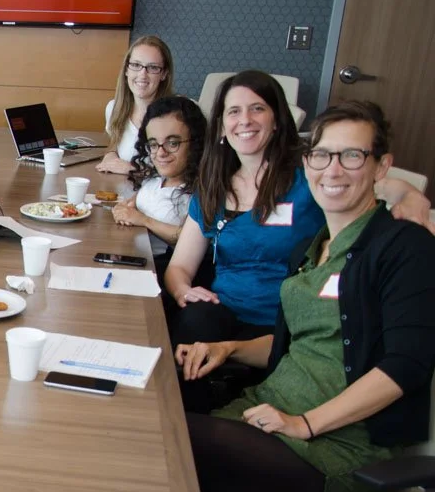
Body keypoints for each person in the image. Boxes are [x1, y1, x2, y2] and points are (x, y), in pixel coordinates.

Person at [125, 100, 435, 492]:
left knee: (153, 449)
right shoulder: (316, 246)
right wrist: (232, 345)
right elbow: (294, 346)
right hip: (264, 416)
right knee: (150, 443)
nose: (333, 170)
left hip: (337, 452)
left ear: (382, 167)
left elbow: (402, 368)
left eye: (353, 155)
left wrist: (305, 422)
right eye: (322, 155)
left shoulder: (403, 248)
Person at [165, 70, 430, 350]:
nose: (245, 120)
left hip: (291, 320)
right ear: (221, 125)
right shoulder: (214, 187)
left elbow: (377, 182)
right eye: (234, 111)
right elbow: (180, 265)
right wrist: (184, 290)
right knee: (190, 326)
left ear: (277, 120)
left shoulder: (310, 174)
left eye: (257, 109)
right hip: (222, 313)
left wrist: (412, 196)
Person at [111, 95, 206, 271]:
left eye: (172, 143)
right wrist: (123, 209)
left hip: (160, 269)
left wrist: (143, 220)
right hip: (130, 255)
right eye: (154, 144)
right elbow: (132, 204)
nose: (161, 153)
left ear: (195, 144)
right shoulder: (156, 180)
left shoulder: (199, 192)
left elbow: (189, 239)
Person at [97, 36, 175, 175]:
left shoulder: (179, 114)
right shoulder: (114, 108)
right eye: (136, 65)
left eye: (152, 67)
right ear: (127, 69)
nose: (142, 74)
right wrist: (111, 156)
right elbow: (115, 146)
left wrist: (133, 169)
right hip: (124, 192)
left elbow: (186, 172)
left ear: (164, 74)